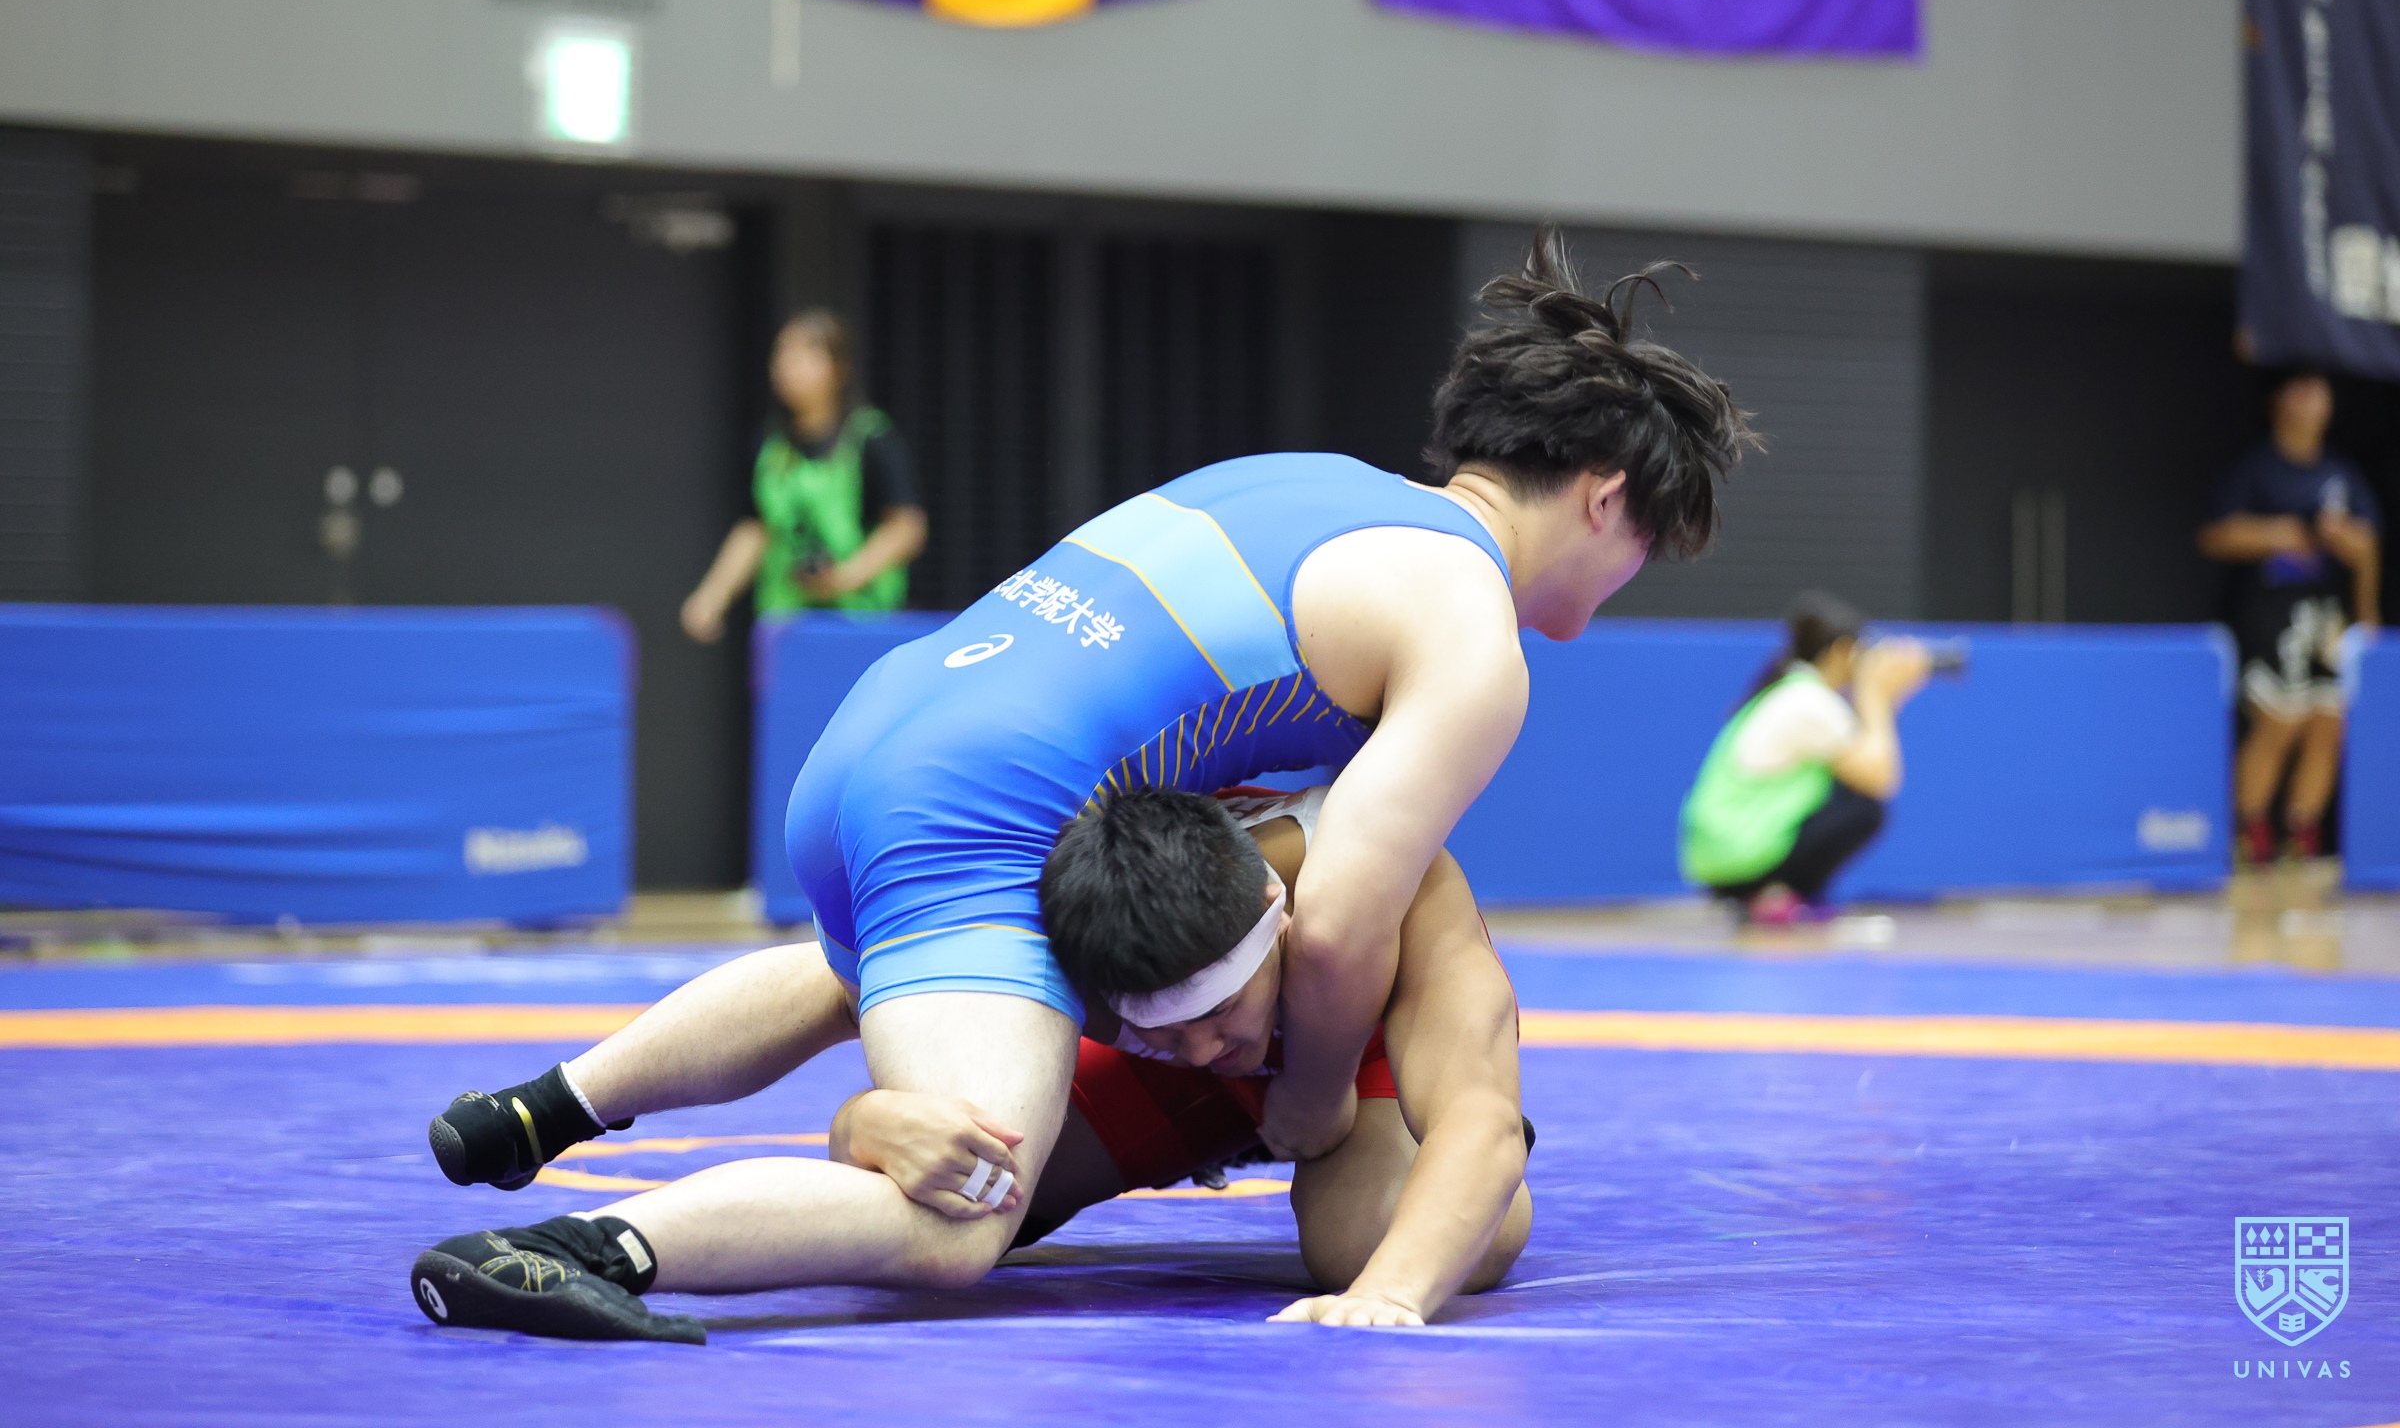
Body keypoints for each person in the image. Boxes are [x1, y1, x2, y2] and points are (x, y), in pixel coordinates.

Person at [409, 227, 1753, 1339]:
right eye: (1646, 546)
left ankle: (550, 1105)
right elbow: (1344, 919)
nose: (1626, 581)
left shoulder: (1307, 483)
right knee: (965, 1216)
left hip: (876, 736)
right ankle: (586, 1246)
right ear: (1604, 497)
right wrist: (1306, 1098)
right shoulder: (1469, 629)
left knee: (861, 978)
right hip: (984, 812)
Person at [812, 785, 1529, 1328]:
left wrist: (1389, 1294)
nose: (1205, 1048)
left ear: (1276, 913)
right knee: (960, 1186)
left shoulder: (1398, 884)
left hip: (1368, 1054)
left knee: (1374, 1244)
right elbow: (888, 1026)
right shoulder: (1074, 928)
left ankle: (1391, 1154)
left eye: (1217, 1011)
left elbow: (1480, 1121)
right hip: (1159, 1073)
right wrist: (862, 1125)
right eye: (1164, 1026)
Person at [2198, 369, 2382, 864]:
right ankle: (2249, 827)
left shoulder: (2341, 475)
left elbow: (2368, 547)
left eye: (2320, 393)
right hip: (2269, 618)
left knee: (2328, 721)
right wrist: (2278, 534)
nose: (2312, 403)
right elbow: (2216, 534)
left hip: (2327, 620)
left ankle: (2303, 830)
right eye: (2301, 392)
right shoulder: (2257, 470)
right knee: (2279, 721)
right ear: (2279, 401)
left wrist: (2366, 613)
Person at [1679, 591, 1930, 925]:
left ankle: (1780, 894)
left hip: (1719, 858)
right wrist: (1876, 695)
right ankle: (1778, 893)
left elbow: (1866, 757)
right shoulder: (1809, 702)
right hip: (1742, 859)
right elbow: (1880, 778)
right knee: (1864, 808)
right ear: (1842, 651)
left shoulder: (1789, 691)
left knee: (1845, 788)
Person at [680, 309, 927, 640]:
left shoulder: (871, 439)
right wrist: (712, 596)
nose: (787, 366)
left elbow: (907, 527)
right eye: (782, 354)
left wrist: (845, 576)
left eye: (805, 355)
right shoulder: (769, 445)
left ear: (839, 368)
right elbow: (755, 528)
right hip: (787, 624)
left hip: (861, 622)